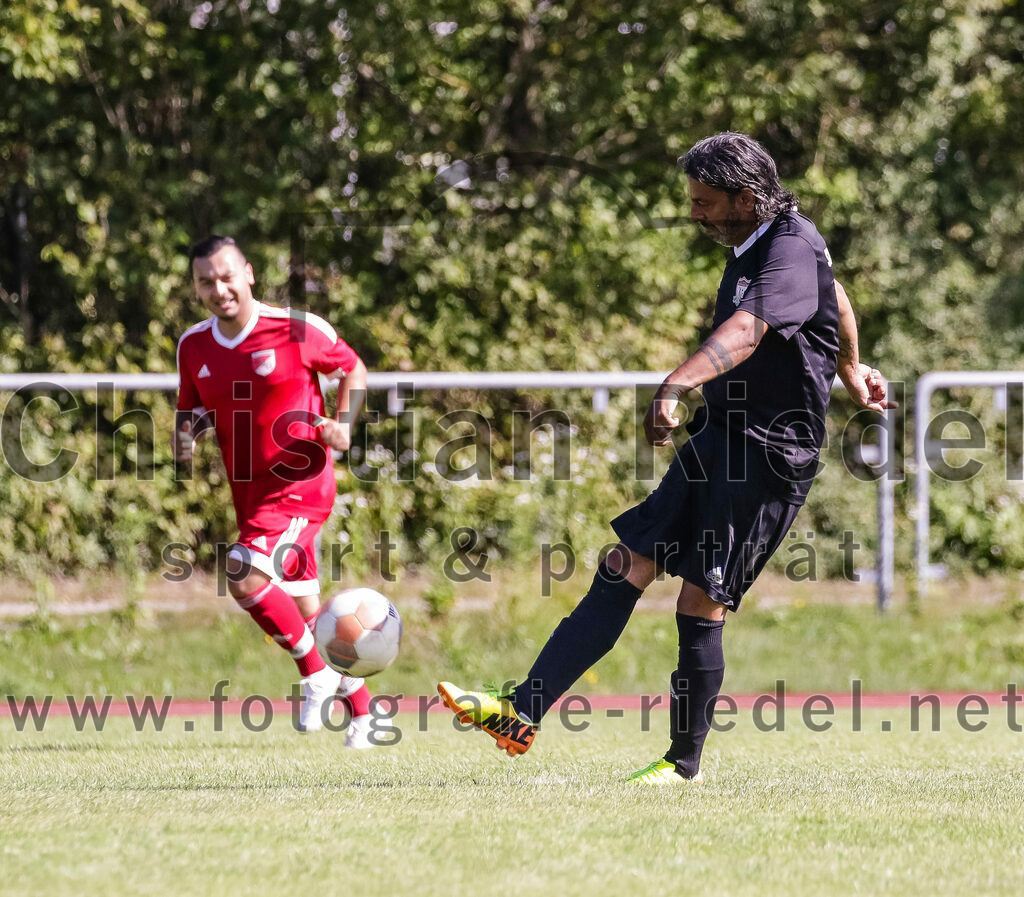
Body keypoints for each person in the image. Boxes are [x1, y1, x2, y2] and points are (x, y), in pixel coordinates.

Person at [436, 132, 895, 782]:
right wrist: (850, 364)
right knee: (625, 563)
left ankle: (682, 766)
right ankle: (522, 712)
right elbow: (837, 293)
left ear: (746, 197)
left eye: (705, 202)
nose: (694, 213)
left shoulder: (789, 246)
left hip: (769, 456)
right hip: (722, 436)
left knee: (701, 601)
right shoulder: (765, 243)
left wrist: (678, 383)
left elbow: (748, 330)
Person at [173, 235, 380, 747]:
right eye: (206, 281)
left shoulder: (296, 329)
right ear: (196, 287)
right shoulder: (193, 346)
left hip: (301, 484)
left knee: (241, 572)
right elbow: (192, 409)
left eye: (226, 276)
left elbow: (352, 368)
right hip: (251, 496)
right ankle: (366, 718)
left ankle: (315, 674)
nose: (219, 289)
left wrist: (343, 424)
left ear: (247, 273)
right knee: (309, 615)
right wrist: (186, 437)